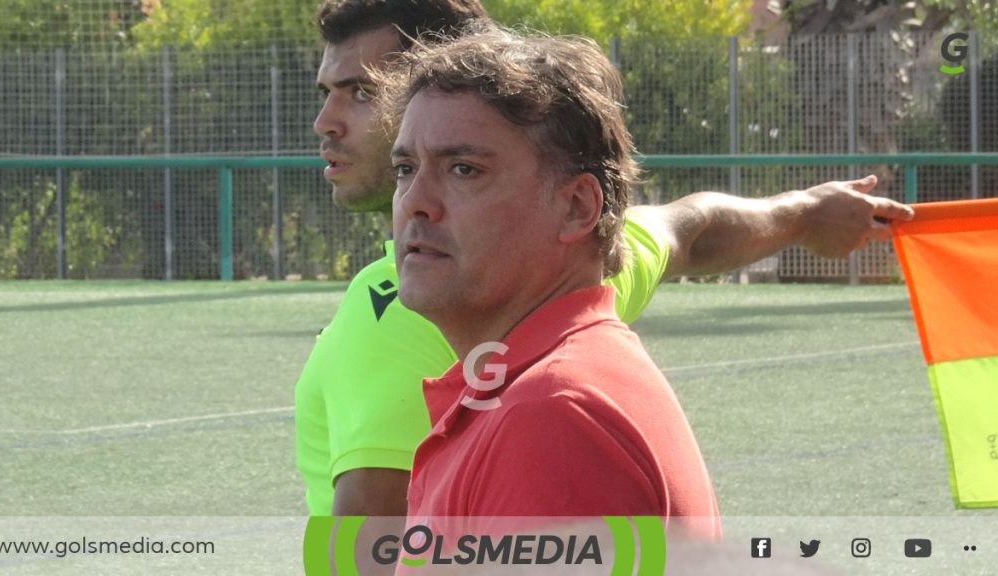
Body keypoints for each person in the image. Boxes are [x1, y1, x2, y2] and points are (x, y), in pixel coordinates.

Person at [296, 0, 915, 517]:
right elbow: (689, 230)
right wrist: (805, 210)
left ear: (577, 207)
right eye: (408, 168)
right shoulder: (583, 272)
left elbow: (372, 551)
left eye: (360, 92)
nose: (325, 120)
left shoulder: (533, 405)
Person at [379, 25, 719, 536]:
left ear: (577, 207)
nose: (415, 202)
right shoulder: (537, 388)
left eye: (464, 169)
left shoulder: (550, 417)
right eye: (405, 168)